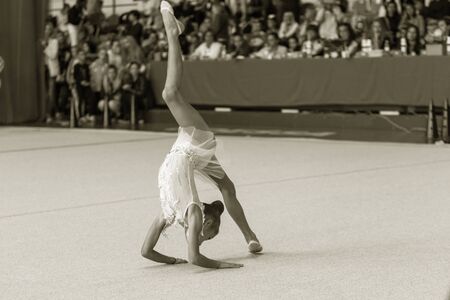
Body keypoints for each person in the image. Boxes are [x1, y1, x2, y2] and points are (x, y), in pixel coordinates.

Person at [141, 1, 262, 269]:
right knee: (170, 94)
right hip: (193, 146)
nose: (202, 240)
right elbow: (192, 256)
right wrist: (221, 264)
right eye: (208, 236)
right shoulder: (189, 214)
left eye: (207, 239)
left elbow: (147, 252)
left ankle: (250, 236)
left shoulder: (171, 213)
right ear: (207, 222)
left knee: (227, 187)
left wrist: (173, 260)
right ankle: (173, 33)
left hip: (187, 151)